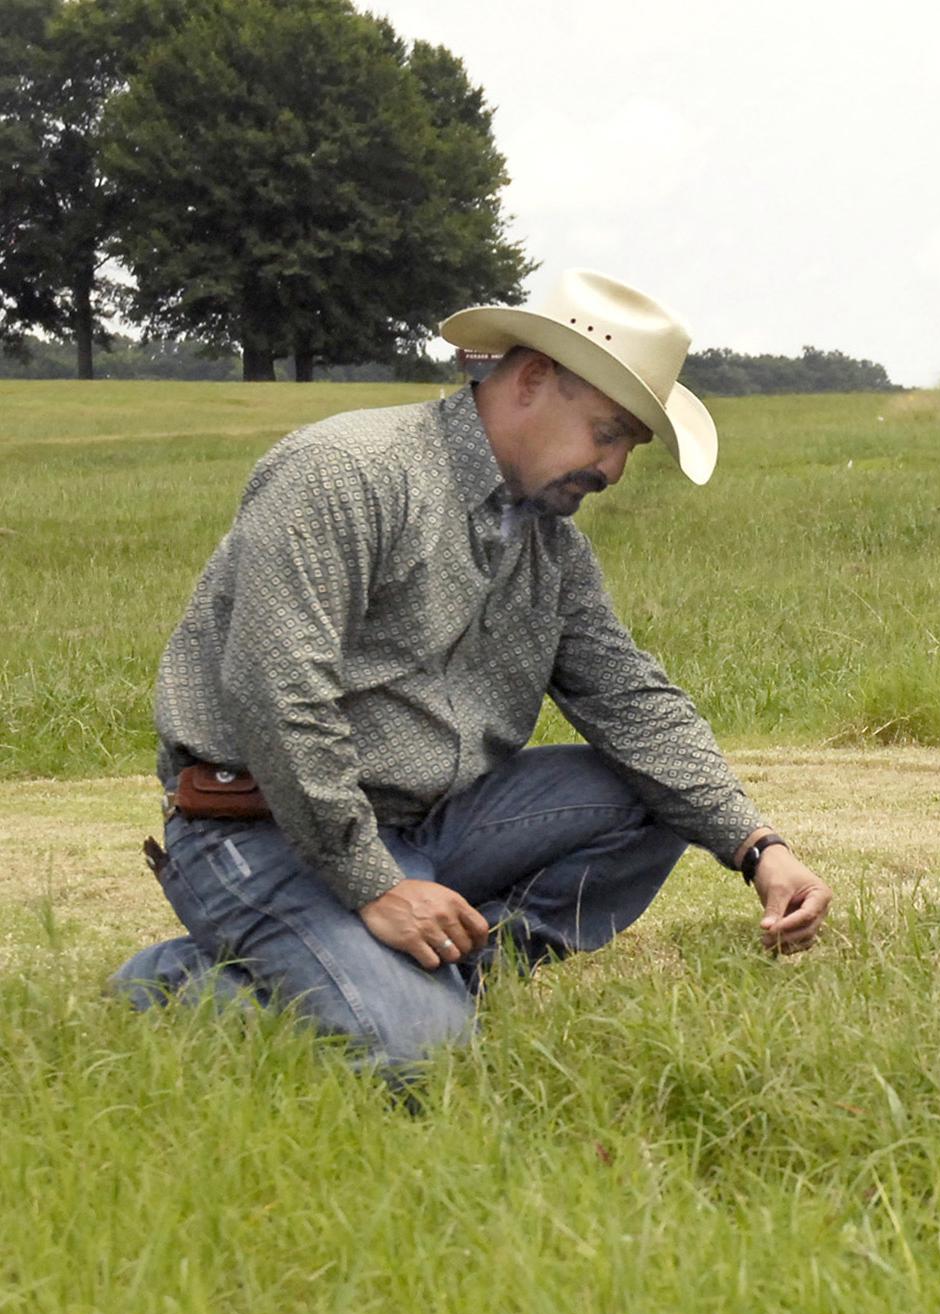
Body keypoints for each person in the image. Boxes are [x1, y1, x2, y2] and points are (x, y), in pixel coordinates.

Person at [108, 269, 832, 1076]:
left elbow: (635, 704)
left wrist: (758, 846)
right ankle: (173, 987)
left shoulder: (550, 550)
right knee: (426, 1064)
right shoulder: (346, 473)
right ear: (530, 381)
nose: (616, 467)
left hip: (429, 824)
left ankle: (438, 968)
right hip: (262, 828)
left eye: (630, 444)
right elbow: (279, 693)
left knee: (656, 790)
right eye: (609, 432)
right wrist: (373, 883)